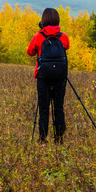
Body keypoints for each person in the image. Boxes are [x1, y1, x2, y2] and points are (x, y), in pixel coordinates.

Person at [27, 8, 70, 144]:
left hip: (43, 78)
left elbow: (30, 52)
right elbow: (67, 47)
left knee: (44, 109)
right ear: (57, 20)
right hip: (60, 78)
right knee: (59, 108)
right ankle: (59, 139)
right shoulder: (63, 36)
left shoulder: (38, 36)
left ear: (43, 20)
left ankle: (43, 139)